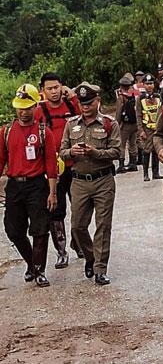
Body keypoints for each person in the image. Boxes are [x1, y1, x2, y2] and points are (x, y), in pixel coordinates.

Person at [59, 83, 120, 286]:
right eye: (82, 103)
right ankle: (91, 257)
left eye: (89, 102)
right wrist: (71, 153)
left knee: (103, 226)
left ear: (98, 101)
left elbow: (117, 152)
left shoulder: (109, 124)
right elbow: (62, 151)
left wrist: (96, 153)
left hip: (103, 180)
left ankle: (100, 269)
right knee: (77, 226)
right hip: (79, 181)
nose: (85, 107)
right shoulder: (71, 124)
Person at [2, 85, 58, 287]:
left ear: (35, 106)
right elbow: (0, 161)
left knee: (40, 230)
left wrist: (52, 192)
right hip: (15, 186)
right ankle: (31, 263)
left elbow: (51, 165)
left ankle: (40, 270)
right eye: (19, 108)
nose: (22, 112)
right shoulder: (6, 132)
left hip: (37, 185)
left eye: (26, 107)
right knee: (13, 229)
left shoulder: (44, 132)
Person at [37, 72, 80, 269]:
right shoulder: (38, 111)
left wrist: (73, 95)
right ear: (42, 91)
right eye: (49, 89)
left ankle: (79, 242)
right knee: (56, 210)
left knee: (80, 207)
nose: (54, 92)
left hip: (76, 165)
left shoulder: (72, 105)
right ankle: (61, 251)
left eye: (57, 87)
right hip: (53, 170)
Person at [137, 74, 162, 182]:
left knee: (156, 151)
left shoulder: (158, 97)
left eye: (151, 83)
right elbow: (138, 115)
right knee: (147, 151)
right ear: (143, 85)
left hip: (157, 127)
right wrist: (141, 130)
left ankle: (156, 173)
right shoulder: (140, 98)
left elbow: (161, 112)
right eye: (147, 84)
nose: (149, 86)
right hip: (146, 128)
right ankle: (145, 173)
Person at [114, 74, 139, 174]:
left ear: (121, 86)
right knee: (133, 143)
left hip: (125, 124)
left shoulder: (121, 97)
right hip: (135, 123)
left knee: (122, 144)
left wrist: (117, 123)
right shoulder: (134, 94)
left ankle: (121, 165)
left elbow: (119, 112)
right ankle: (133, 163)